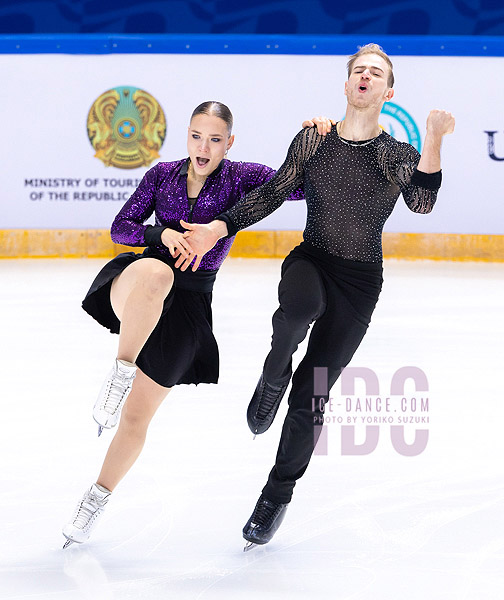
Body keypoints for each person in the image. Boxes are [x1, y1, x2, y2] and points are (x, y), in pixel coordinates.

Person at [175, 44, 455, 550]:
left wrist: (433, 139)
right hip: (311, 259)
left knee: (313, 395)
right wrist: (222, 225)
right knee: (298, 308)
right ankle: (272, 372)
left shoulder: (395, 153)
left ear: (387, 92)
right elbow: (274, 190)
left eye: (376, 73)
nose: (366, 77)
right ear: (347, 85)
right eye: (358, 71)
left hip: (360, 283)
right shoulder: (313, 138)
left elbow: (422, 201)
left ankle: (275, 496)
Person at [61, 101, 330, 548]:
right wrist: (160, 235)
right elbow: (121, 227)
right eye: (196, 136)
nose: (203, 147)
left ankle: (95, 500)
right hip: (139, 280)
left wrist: (317, 139)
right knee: (158, 272)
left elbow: (295, 187)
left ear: (229, 142)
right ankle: (120, 370)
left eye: (215, 139)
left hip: (189, 308)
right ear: (186, 135)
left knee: (135, 419)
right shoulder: (161, 175)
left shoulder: (243, 177)